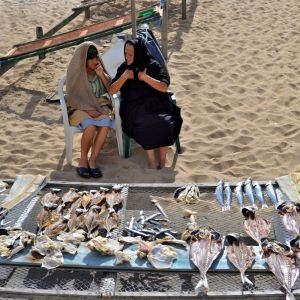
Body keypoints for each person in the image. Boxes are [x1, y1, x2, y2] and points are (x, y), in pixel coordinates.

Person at [109, 38, 182, 169]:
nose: (127, 57)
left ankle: (162, 160)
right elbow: (111, 90)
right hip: (135, 108)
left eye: (131, 54)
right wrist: (124, 77)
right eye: (126, 53)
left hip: (158, 105)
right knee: (146, 123)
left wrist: (145, 78)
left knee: (165, 122)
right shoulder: (124, 68)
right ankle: (151, 161)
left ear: (139, 53)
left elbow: (164, 87)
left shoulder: (153, 65)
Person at [66, 41, 114, 178]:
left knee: (105, 125)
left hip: (99, 107)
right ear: (84, 60)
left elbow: (111, 89)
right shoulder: (77, 74)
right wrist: (88, 110)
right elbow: (73, 98)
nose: (95, 60)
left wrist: (102, 75)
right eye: (91, 58)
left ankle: (92, 160)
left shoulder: (99, 71)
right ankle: (82, 160)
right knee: (91, 127)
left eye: (96, 57)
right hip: (79, 108)